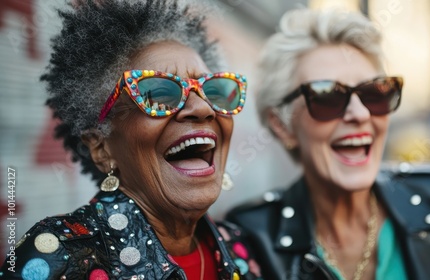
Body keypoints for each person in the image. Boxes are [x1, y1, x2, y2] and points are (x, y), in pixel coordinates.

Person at [226, 8, 430, 280]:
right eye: (327, 96)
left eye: (373, 94)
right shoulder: (249, 237)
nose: (360, 114)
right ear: (282, 126)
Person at [0, 0, 261, 279]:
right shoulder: (57, 257)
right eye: (159, 94)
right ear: (102, 148)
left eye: (214, 90)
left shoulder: (237, 246)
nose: (203, 108)